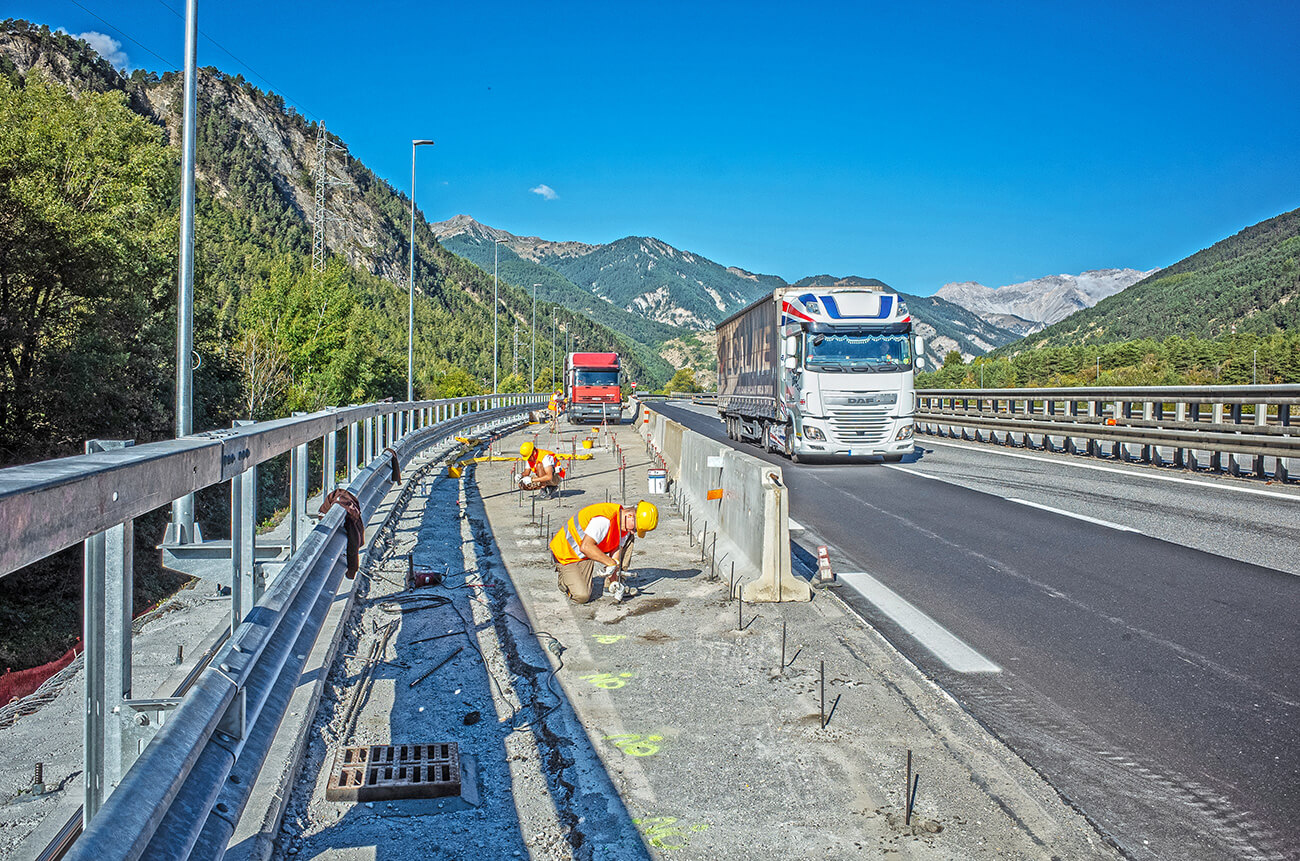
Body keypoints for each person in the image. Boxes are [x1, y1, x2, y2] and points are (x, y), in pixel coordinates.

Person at [549, 501, 658, 603]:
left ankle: (613, 584)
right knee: (582, 596)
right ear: (630, 516)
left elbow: (616, 550)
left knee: (628, 539)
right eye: (635, 529)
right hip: (568, 554)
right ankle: (564, 580)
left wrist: (614, 580)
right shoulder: (603, 521)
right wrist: (610, 563)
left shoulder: (624, 524)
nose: (633, 532)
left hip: (588, 551)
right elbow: (586, 547)